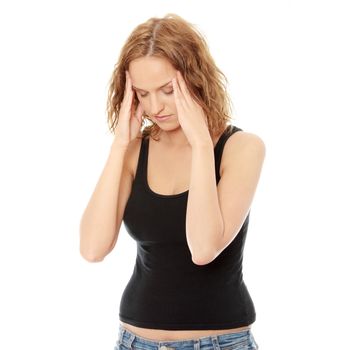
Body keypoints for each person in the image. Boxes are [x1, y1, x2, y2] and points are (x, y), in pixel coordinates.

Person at [79, 13, 265, 350]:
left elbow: (204, 248)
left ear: (195, 78)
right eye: (143, 94)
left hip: (220, 342)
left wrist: (201, 144)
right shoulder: (135, 151)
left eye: (167, 90)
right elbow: (93, 248)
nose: (155, 106)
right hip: (135, 341)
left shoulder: (242, 148)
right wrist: (121, 145)